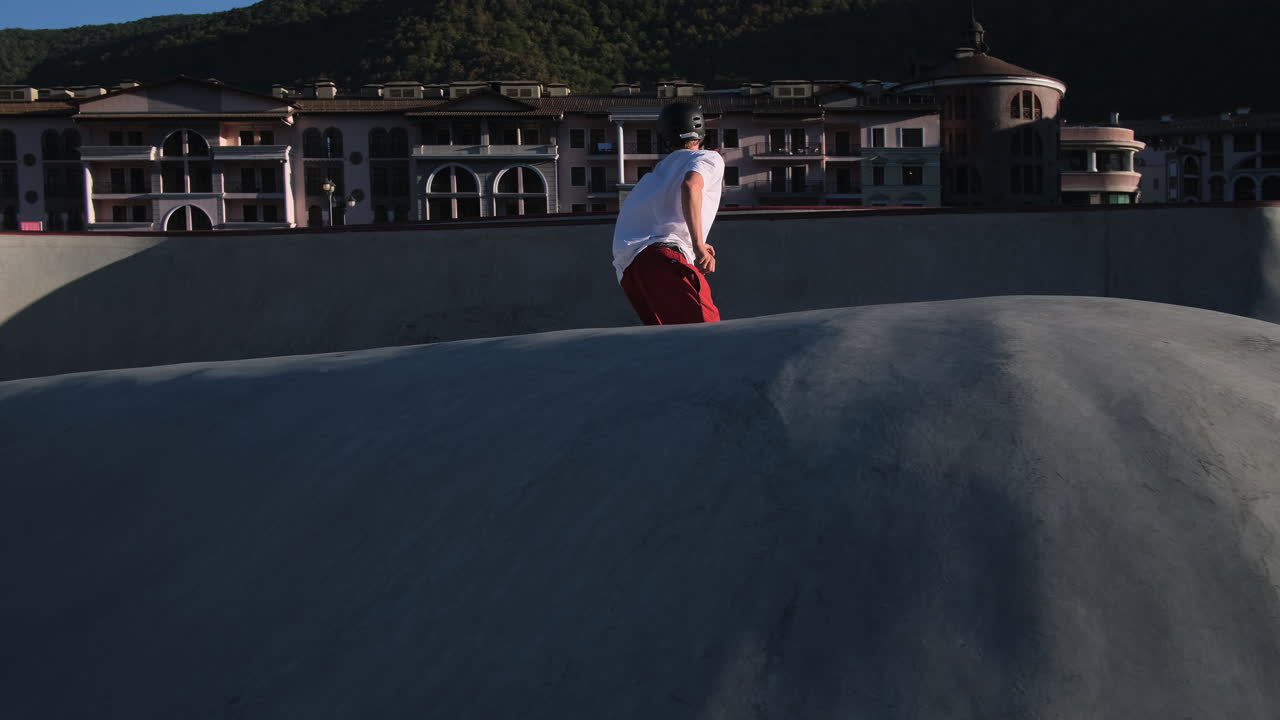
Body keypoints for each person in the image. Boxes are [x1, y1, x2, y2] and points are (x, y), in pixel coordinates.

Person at [612, 101, 724, 325]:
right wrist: (698, 244)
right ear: (702, 133)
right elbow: (691, 186)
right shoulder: (708, 158)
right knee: (709, 337)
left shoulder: (657, 173)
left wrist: (693, 244)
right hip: (665, 259)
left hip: (631, 272)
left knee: (669, 345)